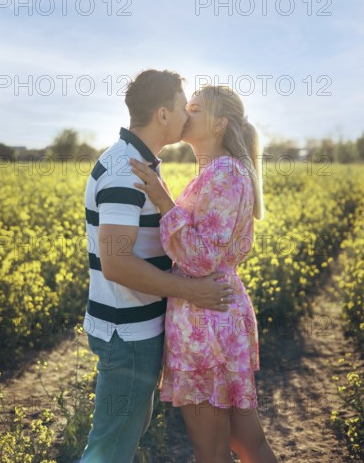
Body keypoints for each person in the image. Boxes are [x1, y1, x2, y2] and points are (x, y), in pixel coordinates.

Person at [80, 71, 235, 463]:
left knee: (120, 441)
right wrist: (192, 290)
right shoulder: (124, 169)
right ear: (163, 114)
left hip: (136, 328)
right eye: (184, 107)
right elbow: (116, 265)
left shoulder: (141, 163)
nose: (188, 115)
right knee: (109, 450)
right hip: (126, 333)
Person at [130, 85, 278, 463]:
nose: (185, 112)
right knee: (248, 444)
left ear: (219, 124)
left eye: (195, 108)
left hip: (206, 322)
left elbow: (200, 259)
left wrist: (164, 201)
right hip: (216, 314)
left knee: (211, 451)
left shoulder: (225, 173)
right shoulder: (222, 171)